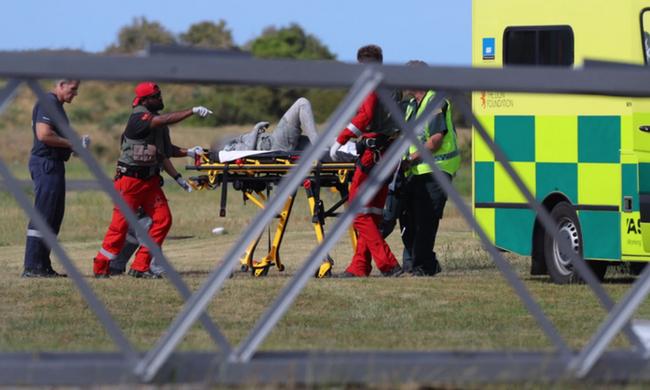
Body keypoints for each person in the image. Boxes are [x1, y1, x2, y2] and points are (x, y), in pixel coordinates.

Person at [92, 82, 211, 278]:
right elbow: (164, 120)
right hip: (129, 181)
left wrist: (189, 153)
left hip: (150, 182)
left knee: (163, 220)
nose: (161, 99)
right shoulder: (138, 119)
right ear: (146, 99)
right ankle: (100, 267)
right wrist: (192, 111)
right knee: (119, 227)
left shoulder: (156, 122)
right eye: (157, 96)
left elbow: (165, 151)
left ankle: (141, 266)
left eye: (160, 94)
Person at [328, 45, 403, 278]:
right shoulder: (392, 84)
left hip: (373, 154)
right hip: (390, 152)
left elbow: (366, 115)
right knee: (371, 212)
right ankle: (360, 265)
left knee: (356, 210)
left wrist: (341, 139)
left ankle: (388, 264)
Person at [398, 60, 461, 276]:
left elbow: (434, 140)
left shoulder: (434, 101)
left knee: (426, 219)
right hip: (416, 171)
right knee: (409, 219)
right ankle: (422, 263)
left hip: (436, 169)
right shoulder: (413, 105)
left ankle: (423, 266)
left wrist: (410, 158)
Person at [22, 79, 89, 278]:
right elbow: (43, 135)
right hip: (46, 163)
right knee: (44, 214)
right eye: (73, 89)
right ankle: (33, 266)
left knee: (53, 215)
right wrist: (72, 142)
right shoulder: (48, 102)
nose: (75, 93)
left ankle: (42, 265)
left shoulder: (55, 105)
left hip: (53, 163)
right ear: (60, 85)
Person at [222, 97, 318, 152]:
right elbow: (248, 150)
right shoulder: (231, 148)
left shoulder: (240, 139)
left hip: (277, 141)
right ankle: (318, 145)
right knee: (302, 103)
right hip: (276, 144)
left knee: (325, 141)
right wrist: (256, 128)